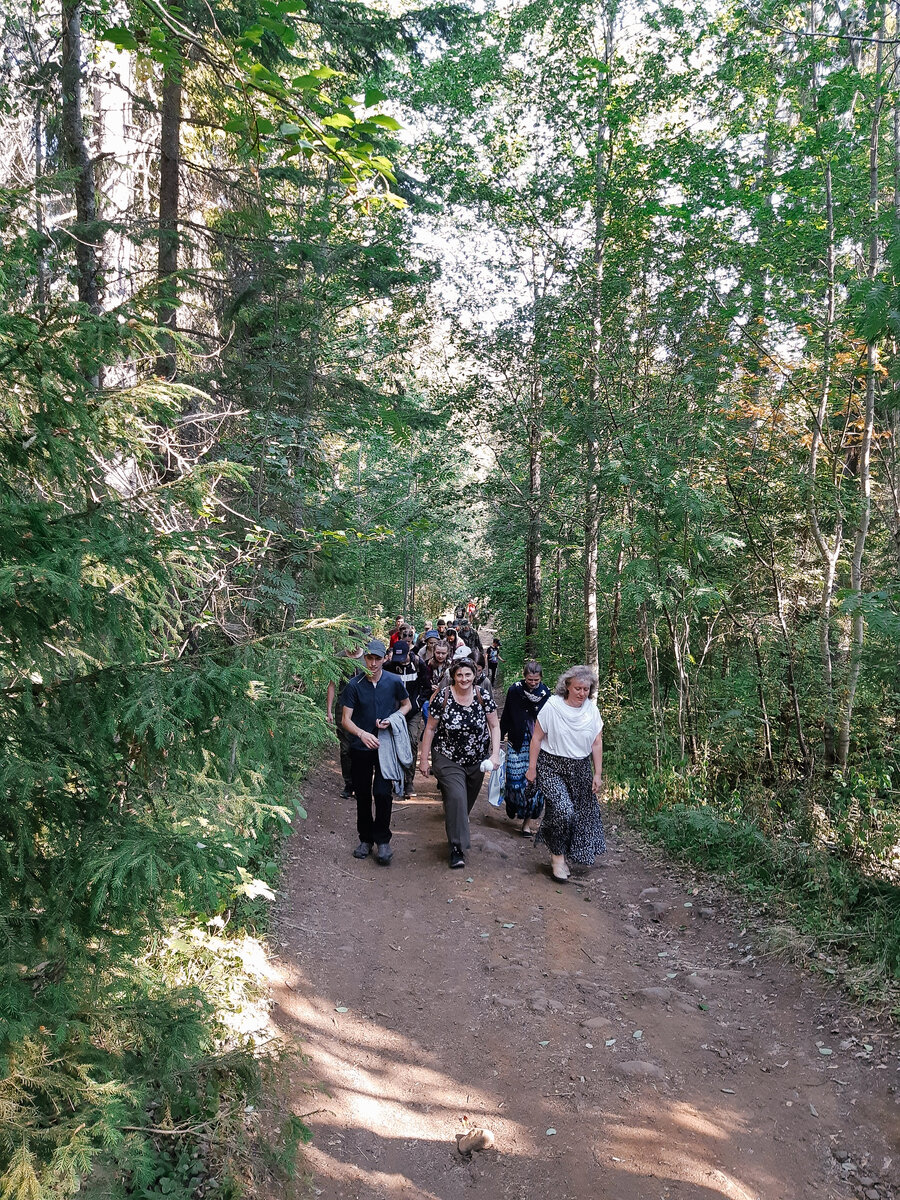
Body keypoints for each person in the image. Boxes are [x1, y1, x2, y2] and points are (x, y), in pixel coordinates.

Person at [418, 658, 501, 869]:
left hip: (476, 759)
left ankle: (455, 823)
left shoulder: (483, 696)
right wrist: (424, 759)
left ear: (474, 675)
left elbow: (494, 725)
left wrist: (495, 754)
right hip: (447, 757)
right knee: (456, 797)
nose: (464, 679)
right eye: (459, 675)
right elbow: (429, 729)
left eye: (468, 675)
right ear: (453, 676)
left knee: (463, 804)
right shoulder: (443, 697)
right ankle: (456, 848)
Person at [525, 665, 604, 883]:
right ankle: (557, 858)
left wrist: (597, 773)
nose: (582, 693)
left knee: (577, 815)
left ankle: (565, 851)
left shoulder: (591, 710)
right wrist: (532, 768)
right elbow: (537, 738)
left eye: (586, 689)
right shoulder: (553, 706)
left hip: (580, 768)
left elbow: (596, 743)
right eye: (578, 688)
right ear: (567, 686)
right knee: (563, 810)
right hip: (551, 766)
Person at [341, 639, 411, 865]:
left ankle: (382, 840)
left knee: (382, 793)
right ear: (364, 658)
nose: (372, 663)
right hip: (361, 747)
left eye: (377, 659)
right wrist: (362, 734)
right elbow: (345, 720)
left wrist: (393, 719)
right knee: (362, 794)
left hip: (385, 746)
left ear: (385, 658)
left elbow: (407, 705)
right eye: (369, 658)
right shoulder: (354, 684)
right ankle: (365, 839)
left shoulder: (393, 681)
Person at [500, 661, 550, 836]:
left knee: (532, 784)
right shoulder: (515, 690)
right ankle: (513, 804)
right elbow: (506, 713)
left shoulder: (546, 694)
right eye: (530, 679)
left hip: (538, 743)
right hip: (517, 740)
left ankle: (527, 824)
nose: (533, 683)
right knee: (514, 780)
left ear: (541, 678)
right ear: (524, 676)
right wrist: (499, 735)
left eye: (536, 680)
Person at [325, 630, 370, 798]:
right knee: (345, 748)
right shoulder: (339, 657)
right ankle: (348, 783)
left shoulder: (367, 657)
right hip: (343, 706)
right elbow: (332, 684)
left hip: (362, 707)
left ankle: (360, 783)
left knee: (361, 746)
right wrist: (329, 710)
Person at [384, 632, 428, 798]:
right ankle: (392, 779)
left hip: (413, 712)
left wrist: (417, 703)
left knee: (410, 741)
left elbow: (426, 687)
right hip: (393, 711)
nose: (400, 661)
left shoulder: (419, 663)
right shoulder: (389, 666)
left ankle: (409, 782)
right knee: (391, 743)